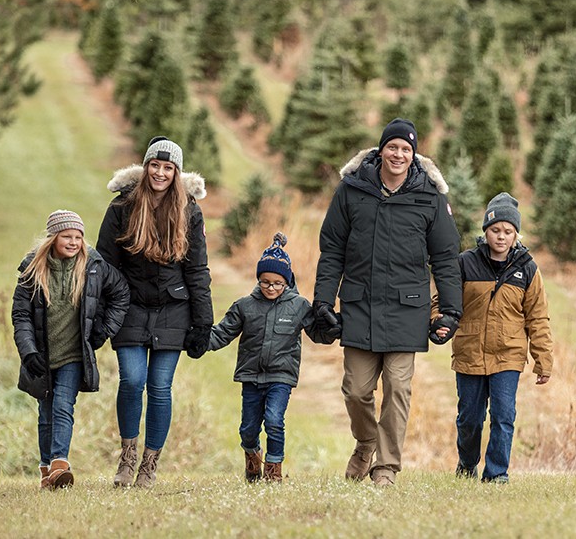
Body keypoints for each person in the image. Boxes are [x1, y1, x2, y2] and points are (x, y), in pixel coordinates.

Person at [313, 118, 463, 487]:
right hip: (360, 306)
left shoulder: (429, 197)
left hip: (406, 309)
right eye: (392, 147)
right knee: (357, 390)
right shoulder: (351, 191)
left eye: (406, 149)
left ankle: (386, 468)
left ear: (414, 156)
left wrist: (450, 309)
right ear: (381, 151)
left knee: (398, 389)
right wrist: (322, 302)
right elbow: (332, 250)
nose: (398, 154)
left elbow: (445, 257)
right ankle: (366, 444)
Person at [96, 136, 213, 488]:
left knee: (160, 387)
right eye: (155, 165)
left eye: (168, 167)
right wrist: (102, 310)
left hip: (174, 309)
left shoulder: (189, 210)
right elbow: (104, 264)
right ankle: (127, 457)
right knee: (132, 381)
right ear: (145, 167)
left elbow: (197, 269)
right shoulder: (122, 208)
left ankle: (150, 464)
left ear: (176, 173)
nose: (160, 173)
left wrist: (203, 322)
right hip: (129, 306)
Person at [431, 192, 553, 484]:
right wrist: (438, 322)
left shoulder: (527, 269)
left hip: (508, 355)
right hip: (470, 353)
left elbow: (538, 317)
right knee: (470, 419)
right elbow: (442, 301)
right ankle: (467, 463)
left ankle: (497, 474)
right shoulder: (465, 263)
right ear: (485, 231)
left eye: (508, 232)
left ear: (515, 235)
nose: (501, 237)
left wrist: (543, 360)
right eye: (495, 230)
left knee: (503, 415)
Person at [12, 209, 130, 490]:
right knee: (46, 413)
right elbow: (21, 316)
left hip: (74, 355)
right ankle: (46, 470)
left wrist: (101, 332)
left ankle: (59, 463)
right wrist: (29, 352)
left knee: (64, 406)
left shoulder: (94, 266)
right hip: (42, 355)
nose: (74, 242)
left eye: (78, 236)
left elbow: (121, 293)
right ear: (53, 238)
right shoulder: (32, 268)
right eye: (67, 236)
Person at [206, 233, 339, 483]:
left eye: (277, 283)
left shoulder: (299, 306)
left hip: (281, 375)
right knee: (247, 429)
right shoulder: (245, 306)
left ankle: (273, 469)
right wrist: (200, 341)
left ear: (287, 282)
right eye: (266, 282)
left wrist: (332, 329)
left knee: (275, 420)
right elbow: (222, 333)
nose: (271, 288)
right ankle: (252, 454)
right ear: (258, 280)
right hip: (251, 375)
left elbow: (318, 335)